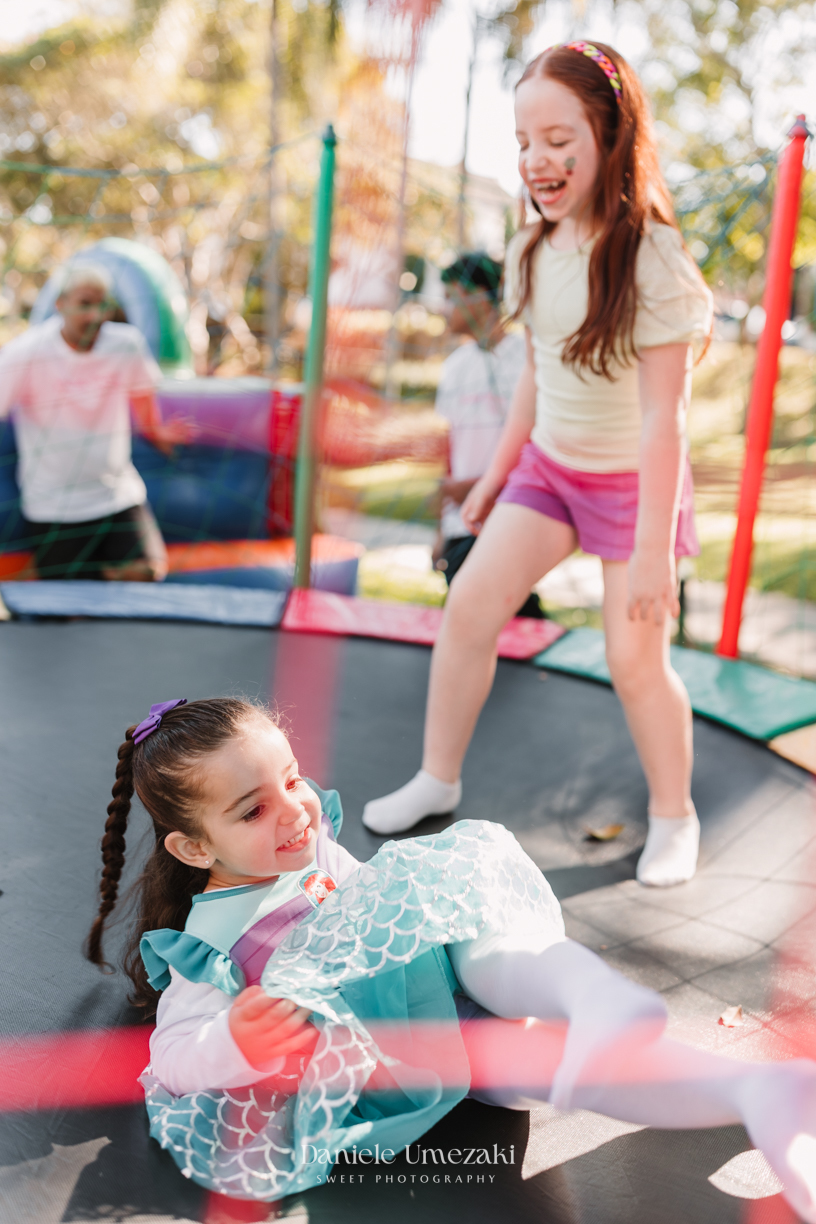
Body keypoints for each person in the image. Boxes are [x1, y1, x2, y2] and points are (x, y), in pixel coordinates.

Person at [84, 697, 816, 1216]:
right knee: (555, 1073)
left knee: (491, 948)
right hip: (417, 1047)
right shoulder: (205, 945)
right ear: (193, 847)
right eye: (253, 808)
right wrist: (234, 1043)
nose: (295, 808)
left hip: (447, 968)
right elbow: (171, 1059)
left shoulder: (310, 845)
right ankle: (755, 1092)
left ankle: (591, 995)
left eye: (292, 777)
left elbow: (387, 908)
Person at [363, 42, 711, 890]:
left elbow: (665, 421)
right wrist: (492, 479)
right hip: (551, 470)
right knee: (471, 605)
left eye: (558, 138)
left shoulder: (651, 261)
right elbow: (535, 377)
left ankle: (676, 814)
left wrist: (657, 550)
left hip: (635, 484)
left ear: (610, 133)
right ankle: (436, 777)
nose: (537, 160)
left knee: (635, 662)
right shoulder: (531, 249)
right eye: (523, 142)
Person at [0, 262, 191, 581]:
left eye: (103, 304)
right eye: (85, 304)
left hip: (116, 495)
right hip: (53, 503)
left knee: (150, 571)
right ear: (61, 304)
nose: (95, 315)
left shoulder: (125, 344)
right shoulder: (26, 352)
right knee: (61, 606)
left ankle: (91, 577)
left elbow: (146, 409)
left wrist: (161, 435)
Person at [434, 252, 543, 618]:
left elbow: (537, 442)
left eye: (452, 297)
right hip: (459, 521)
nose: (444, 307)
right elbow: (447, 449)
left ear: (481, 296)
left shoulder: (525, 361)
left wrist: (486, 485)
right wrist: (440, 529)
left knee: (481, 614)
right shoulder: (454, 367)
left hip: (506, 512)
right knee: (476, 615)